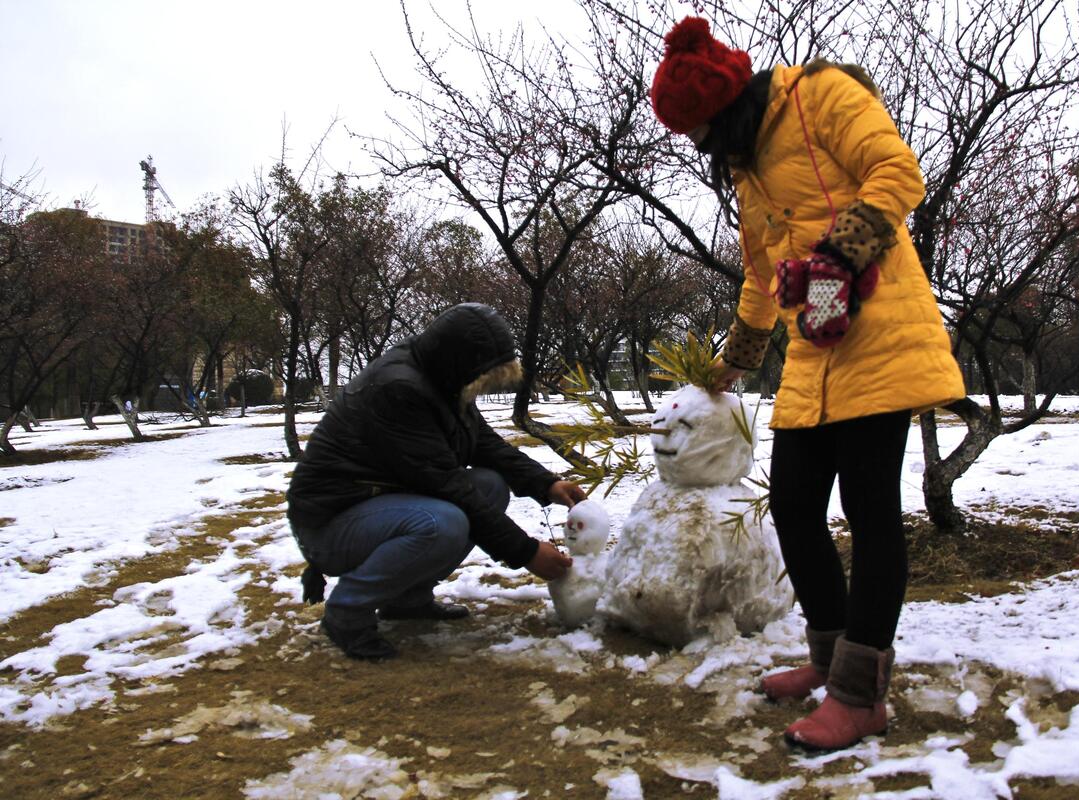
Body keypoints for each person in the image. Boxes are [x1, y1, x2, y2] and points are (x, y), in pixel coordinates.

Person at [650, 18, 966, 750]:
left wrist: (838, 257)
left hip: (878, 330)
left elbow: (898, 173)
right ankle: (827, 658)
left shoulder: (821, 94)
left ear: (726, 109)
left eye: (701, 131)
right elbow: (763, 273)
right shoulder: (747, 165)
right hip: (812, 349)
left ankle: (861, 696)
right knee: (793, 505)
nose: (701, 148)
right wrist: (738, 351)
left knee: (869, 509)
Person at [287, 303, 584, 660]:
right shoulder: (398, 389)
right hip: (332, 523)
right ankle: (347, 611)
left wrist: (546, 483)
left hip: (378, 506)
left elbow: (484, 444)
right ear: (461, 361)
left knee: (489, 486)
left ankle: (407, 600)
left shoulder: (443, 378)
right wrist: (526, 552)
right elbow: (447, 485)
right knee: (443, 523)